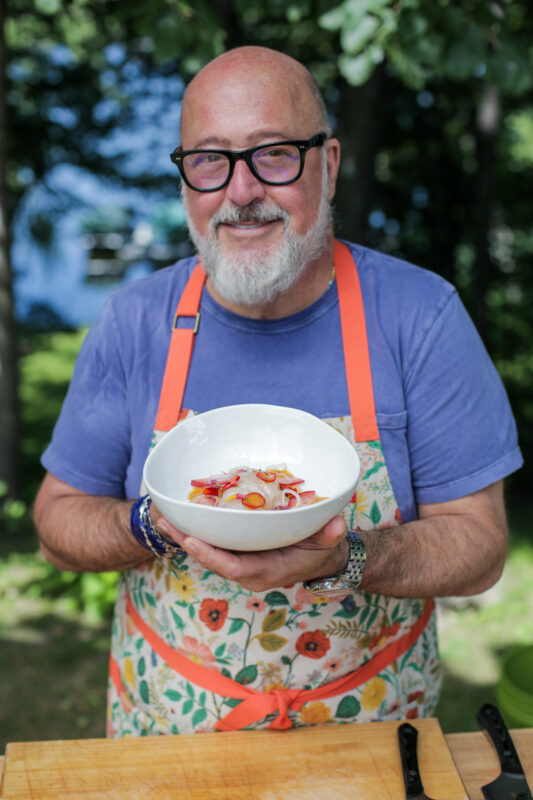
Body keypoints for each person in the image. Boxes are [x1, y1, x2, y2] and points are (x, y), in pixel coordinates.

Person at [34, 46, 522, 737]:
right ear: (185, 181)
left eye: (273, 154)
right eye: (209, 160)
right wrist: (151, 524)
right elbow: (58, 522)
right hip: (166, 737)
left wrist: (352, 556)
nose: (240, 191)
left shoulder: (420, 315)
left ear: (326, 164)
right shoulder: (134, 319)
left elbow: (478, 547)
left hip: (369, 740)